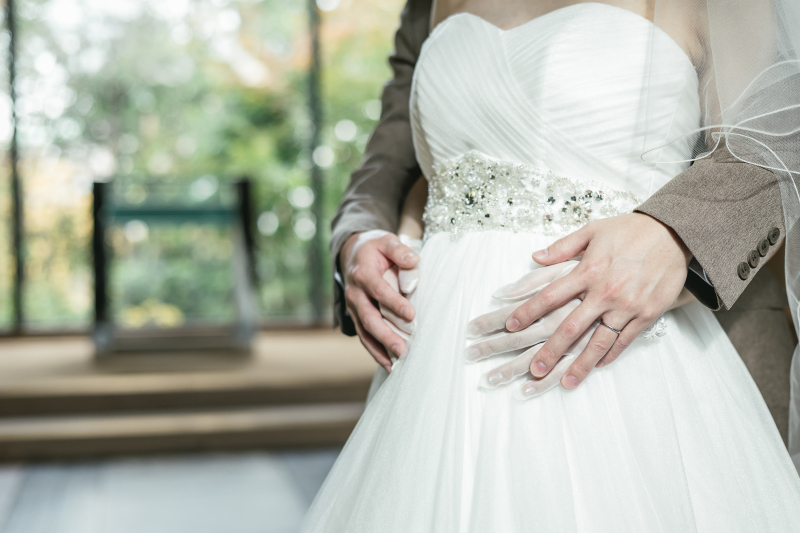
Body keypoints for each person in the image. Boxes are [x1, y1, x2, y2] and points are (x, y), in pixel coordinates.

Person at [303, 1, 800, 531]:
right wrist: (357, 235)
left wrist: (676, 234)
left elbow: (784, 116)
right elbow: (394, 146)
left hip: (639, 354)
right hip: (433, 368)